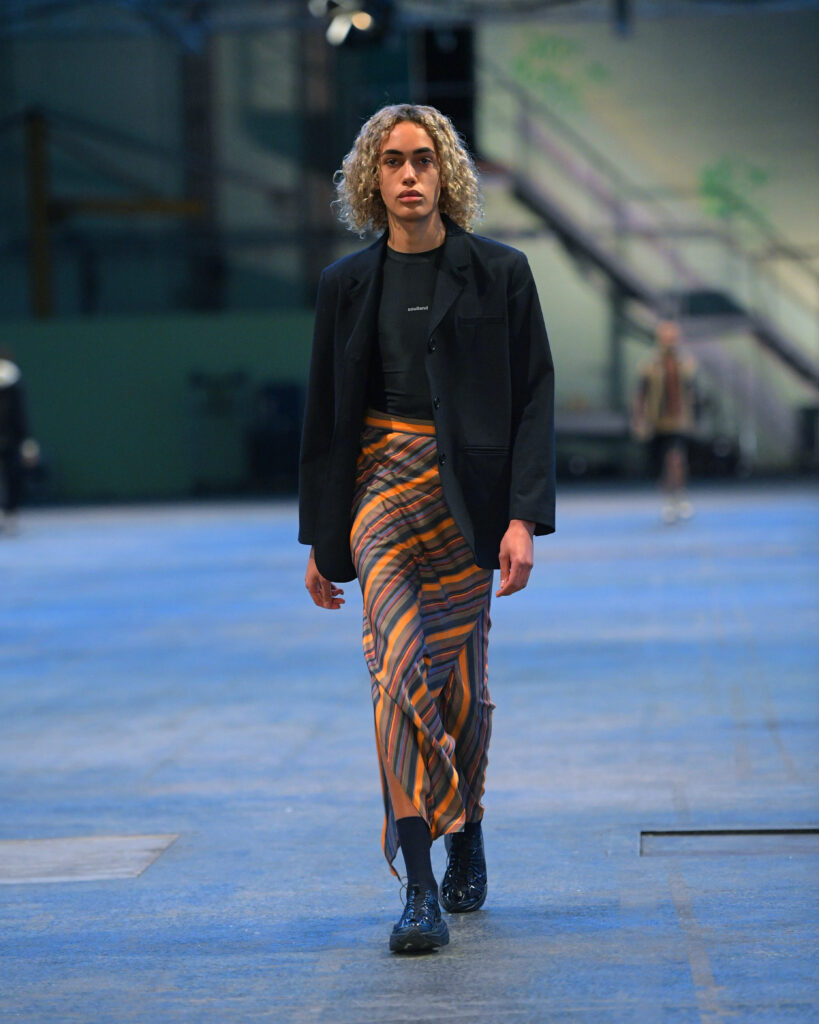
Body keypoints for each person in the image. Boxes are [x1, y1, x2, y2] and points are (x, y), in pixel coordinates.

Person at [298, 104, 555, 954]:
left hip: (467, 503)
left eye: (422, 159)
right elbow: (325, 419)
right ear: (369, 180)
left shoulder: (500, 273)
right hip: (379, 492)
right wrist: (321, 540)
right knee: (394, 673)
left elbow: (532, 397)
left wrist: (521, 517)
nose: (408, 175)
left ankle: (466, 826)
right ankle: (417, 888)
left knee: (463, 692)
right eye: (391, 161)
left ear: (445, 172)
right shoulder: (345, 284)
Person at [632, 320, 698, 524]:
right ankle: (670, 499)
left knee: (676, 459)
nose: (670, 342)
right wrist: (638, 419)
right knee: (662, 464)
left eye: (673, 338)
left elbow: (692, 394)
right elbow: (641, 395)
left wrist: (693, 418)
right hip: (657, 422)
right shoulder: (650, 367)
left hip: (678, 422)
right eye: (666, 338)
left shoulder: (685, 366)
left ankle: (679, 496)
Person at [0, 349, 39, 535]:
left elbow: (19, 415)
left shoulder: (14, 382)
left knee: (13, 476)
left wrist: (26, 442)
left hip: (11, 441)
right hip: (12, 439)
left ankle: (10, 513)